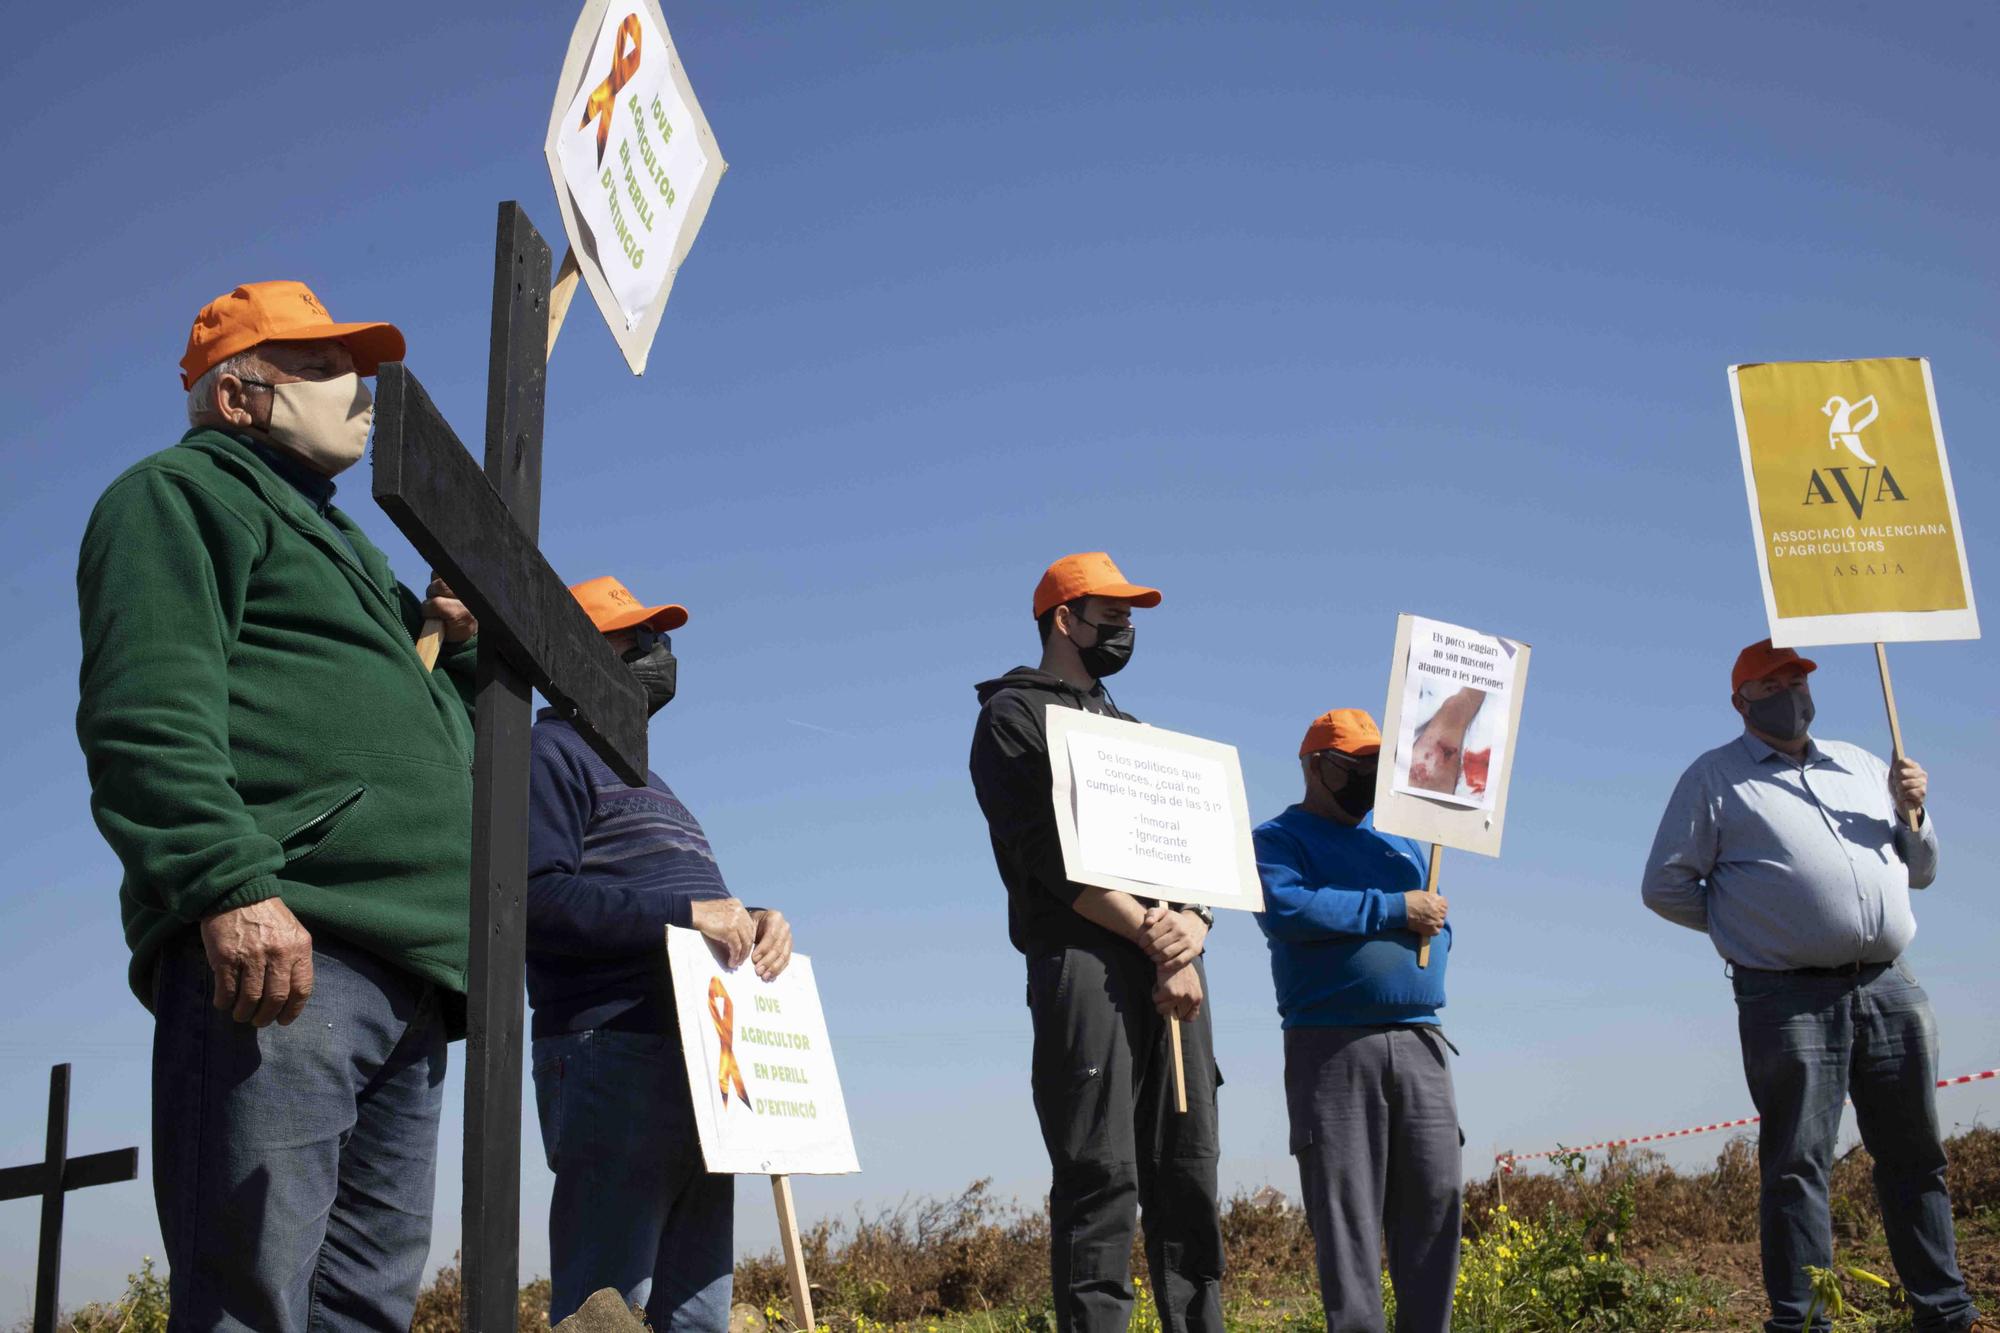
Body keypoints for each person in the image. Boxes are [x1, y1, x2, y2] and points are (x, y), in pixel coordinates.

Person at [75, 281, 480, 1331]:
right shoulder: (177, 496)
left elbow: (426, 733)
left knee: (367, 1305)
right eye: (322, 363)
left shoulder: (351, 555)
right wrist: (229, 882)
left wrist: (457, 652)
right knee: (251, 1297)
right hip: (290, 948)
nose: (361, 388)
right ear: (241, 397)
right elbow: (145, 714)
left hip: (411, 973)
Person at [1642, 639, 1980, 1333]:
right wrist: (1751, 929)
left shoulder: (1862, 764)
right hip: (1787, 999)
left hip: (1891, 985)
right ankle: (1802, 1323)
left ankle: (1945, 1312)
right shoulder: (1714, 779)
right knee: (1799, 1166)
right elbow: (1665, 885)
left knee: (1916, 1155)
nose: (1793, 689)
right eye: (1776, 681)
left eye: (1798, 676)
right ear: (1743, 700)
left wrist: (1915, 815)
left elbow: (1920, 870)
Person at [527, 574, 794, 1331]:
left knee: (698, 1313)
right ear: (572, 653)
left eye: (659, 637)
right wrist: (688, 912)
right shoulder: (547, 752)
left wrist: (760, 918)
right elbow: (534, 900)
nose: (658, 653)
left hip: (705, 1063)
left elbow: (700, 911)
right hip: (610, 1049)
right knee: (606, 1305)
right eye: (635, 637)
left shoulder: (657, 782)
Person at [968, 552, 1224, 1333]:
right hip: (1084, 962)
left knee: (1188, 1178)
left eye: (1130, 613)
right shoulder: (1011, 716)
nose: (1125, 626)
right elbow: (1045, 853)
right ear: (1062, 619)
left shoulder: (1136, 733)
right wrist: (1158, 936)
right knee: (1100, 1175)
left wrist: (1195, 929)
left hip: (1173, 969)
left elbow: (1196, 858)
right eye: (1110, 613)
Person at [1253, 709, 1458, 1333]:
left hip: (1421, 1041)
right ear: (1316, 766)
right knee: (1349, 1220)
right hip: (1333, 1045)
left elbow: (1436, 918)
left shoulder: (1400, 842)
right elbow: (1288, 907)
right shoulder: (1277, 840)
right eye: (1356, 766)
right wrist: (1395, 907)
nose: (1369, 777)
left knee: (1435, 1207)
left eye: (1378, 765)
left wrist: (1425, 923)